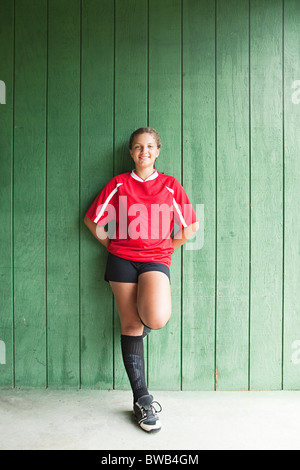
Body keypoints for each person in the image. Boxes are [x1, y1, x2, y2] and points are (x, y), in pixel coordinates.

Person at [84, 127, 199, 432]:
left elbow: (190, 227)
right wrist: (113, 246)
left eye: (149, 146)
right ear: (131, 152)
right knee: (131, 325)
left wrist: (163, 247)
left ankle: (143, 316)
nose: (143, 151)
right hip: (122, 260)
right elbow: (91, 219)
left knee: (156, 318)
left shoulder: (170, 185)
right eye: (137, 147)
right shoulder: (119, 183)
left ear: (158, 151)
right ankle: (142, 400)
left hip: (155, 260)